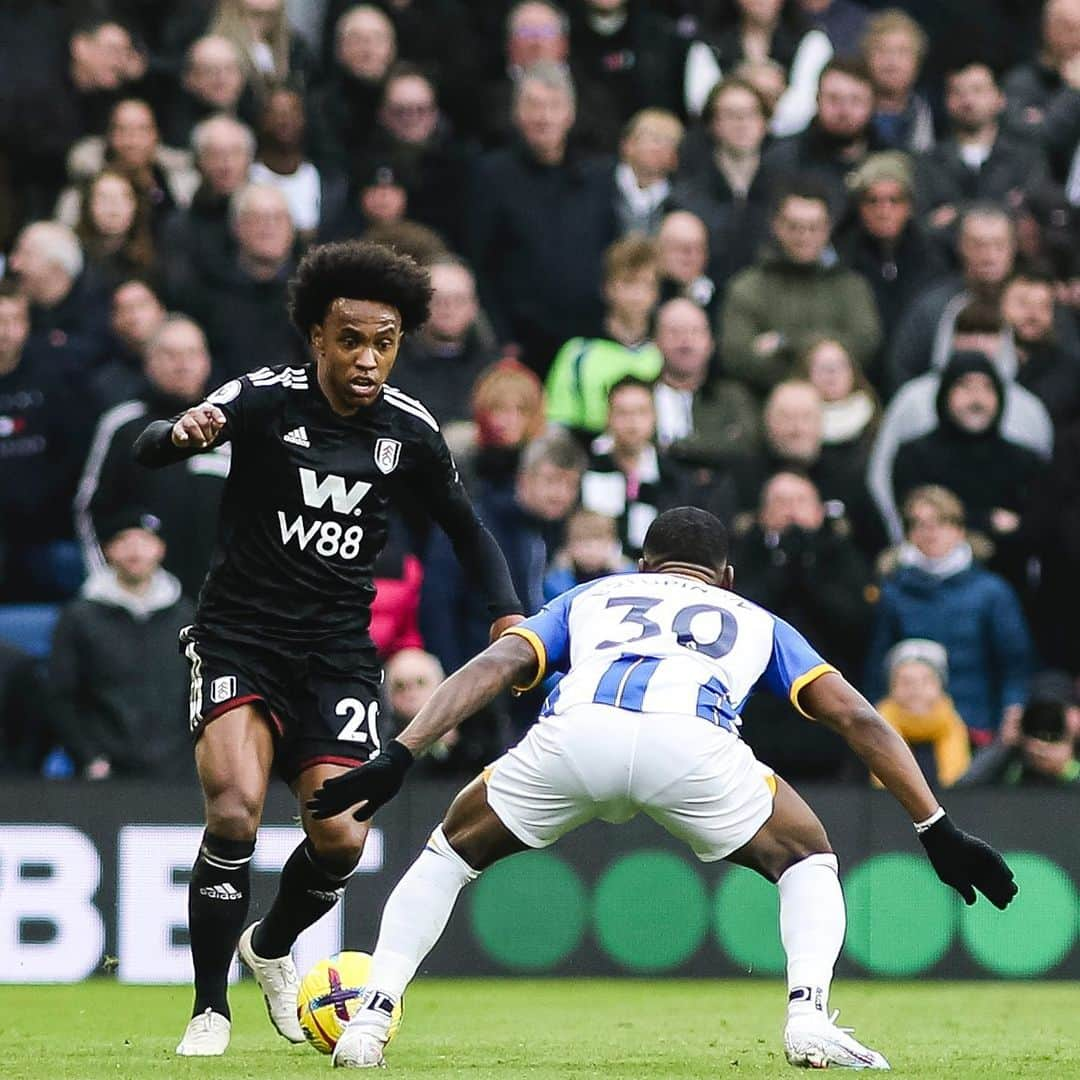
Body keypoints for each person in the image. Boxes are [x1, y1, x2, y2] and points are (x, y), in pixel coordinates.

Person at [308, 506, 1016, 1070]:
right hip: (693, 743)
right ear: (727, 576)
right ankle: (806, 1015)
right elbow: (858, 717)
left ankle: (370, 1020)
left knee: (447, 854)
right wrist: (936, 828)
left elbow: (494, 665)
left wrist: (401, 751)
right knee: (807, 858)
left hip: (576, 735)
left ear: (641, 565)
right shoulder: (757, 620)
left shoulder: (593, 595)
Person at [130, 240, 523, 1056]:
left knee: (343, 836)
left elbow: (467, 528)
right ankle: (209, 1009)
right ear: (316, 336)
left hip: (339, 652)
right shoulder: (266, 399)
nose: (368, 358)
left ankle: (269, 946)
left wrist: (506, 612)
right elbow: (147, 445)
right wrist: (181, 432)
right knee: (235, 808)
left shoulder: (408, 429)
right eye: (351, 340)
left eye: (384, 342)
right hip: (240, 636)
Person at [467, 62, 617, 377]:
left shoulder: (599, 175)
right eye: (533, 105)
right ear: (517, 113)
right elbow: (478, 261)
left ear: (570, 114)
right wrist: (501, 337)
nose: (544, 117)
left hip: (590, 343)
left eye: (554, 106)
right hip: (520, 345)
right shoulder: (491, 175)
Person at [864, 486, 1033, 746]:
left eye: (940, 522)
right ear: (909, 533)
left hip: (976, 726)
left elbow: (1015, 663)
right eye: (919, 523)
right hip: (907, 729)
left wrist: (1013, 709)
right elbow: (878, 665)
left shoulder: (992, 592)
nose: (930, 532)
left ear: (959, 529)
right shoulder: (893, 592)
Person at [732, 471, 873, 780]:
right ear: (762, 513)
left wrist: (807, 574)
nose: (791, 510)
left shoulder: (843, 556)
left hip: (826, 706)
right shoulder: (744, 553)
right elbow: (735, 614)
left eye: (800, 501)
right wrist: (781, 571)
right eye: (780, 502)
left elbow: (856, 624)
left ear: (820, 511)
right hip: (757, 710)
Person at [75, 316, 226, 601]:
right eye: (170, 354)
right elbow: (90, 512)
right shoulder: (122, 425)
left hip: (217, 605)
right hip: (138, 606)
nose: (182, 364)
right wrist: (107, 586)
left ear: (206, 361)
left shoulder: (231, 428)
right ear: (149, 361)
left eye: (192, 354)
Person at [48, 510, 195, 781]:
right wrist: (89, 757)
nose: (135, 551)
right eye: (124, 541)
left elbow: (202, 692)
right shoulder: (79, 617)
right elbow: (61, 694)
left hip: (181, 772)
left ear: (160, 549)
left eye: (144, 540)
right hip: (107, 774)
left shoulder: (187, 617)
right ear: (108, 550)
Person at [720, 182, 882, 399]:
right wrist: (821, 363)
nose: (804, 236)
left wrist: (784, 343)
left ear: (827, 229)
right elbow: (737, 356)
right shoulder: (748, 287)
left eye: (814, 227)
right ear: (776, 225)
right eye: (795, 227)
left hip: (843, 403)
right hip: (770, 405)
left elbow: (865, 344)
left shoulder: (851, 287)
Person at [545, 234, 662, 437]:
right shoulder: (577, 353)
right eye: (628, 283)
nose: (638, 294)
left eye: (647, 284)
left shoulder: (663, 353)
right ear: (607, 288)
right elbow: (557, 428)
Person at [835, 151, 948, 358]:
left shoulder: (933, 257)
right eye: (872, 201)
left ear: (910, 206)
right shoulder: (841, 258)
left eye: (894, 200)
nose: (883, 211)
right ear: (859, 207)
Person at [922, 63, 1047, 233]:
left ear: (1000, 98)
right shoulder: (929, 162)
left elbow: (1031, 214)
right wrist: (1003, 204)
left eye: (978, 90)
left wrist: (957, 212)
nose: (968, 100)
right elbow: (927, 224)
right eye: (958, 92)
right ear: (946, 101)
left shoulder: (1026, 157)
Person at [673, 78, 772, 287]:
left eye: (750, 113)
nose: (742, 123)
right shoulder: (687, 196)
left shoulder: (784, 189)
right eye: (730, 115)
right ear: (713, 124)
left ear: (764, 123)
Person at [684, 0, 834, 138]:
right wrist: (750, 84)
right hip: (719, 143)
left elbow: (805, 106)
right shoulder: (709, 41)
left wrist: (757, 124)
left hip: (794, 144)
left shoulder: (812, 39)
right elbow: (700, 103)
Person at [582, 377, 690, 558]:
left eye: (641, 412)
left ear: (654, 417)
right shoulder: (588, 467)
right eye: (622, 413)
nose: (632, 422)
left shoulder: (671, 476)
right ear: (608, 417)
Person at [388, 257, 498, 427]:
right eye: (437, 300)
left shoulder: (495, 369)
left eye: (458, 300)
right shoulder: (389, 365)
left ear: (474, 306)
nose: (448, 308)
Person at [653, 298, 761, 464]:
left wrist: (676, 448)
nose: (685, 342)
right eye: (674, 332)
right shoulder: (641, 397)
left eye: (695, 332)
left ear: (711, 343)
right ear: (656, 342)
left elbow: (745, 446)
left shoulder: (733, 398)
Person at [874, 639, 971, 789]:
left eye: (926, 682)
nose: (916, 690)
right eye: (906, 682)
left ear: (940, 687)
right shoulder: (867, 742)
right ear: (891, 688)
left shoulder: (970, 740)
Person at [861, 9, 934, 153]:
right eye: (882, 51)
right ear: (867, 59)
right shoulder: (849, 116)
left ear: (917, 62)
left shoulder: (929, 117)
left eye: (902, 52)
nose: (892, 62)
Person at [613, 108, 683, 237]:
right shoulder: (595, 188)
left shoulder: (683, 202)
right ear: (627, 145)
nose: (659, 148)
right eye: (653, 138)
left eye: (669, 142)